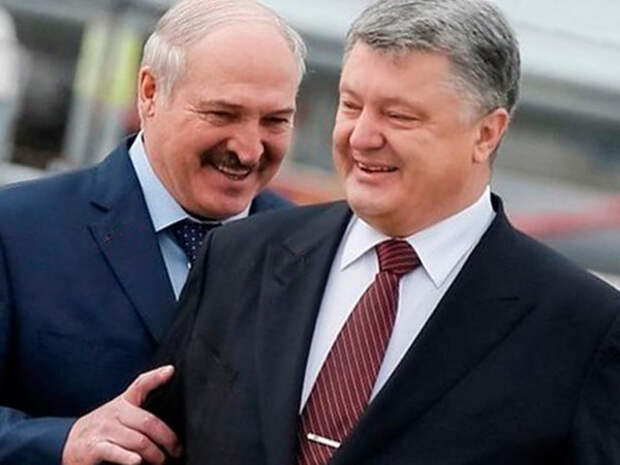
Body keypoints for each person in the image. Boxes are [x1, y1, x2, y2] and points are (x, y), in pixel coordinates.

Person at [146, 0, 620, 463]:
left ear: (486, 134)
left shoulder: (584, 329)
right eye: (351, 106)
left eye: (399, 116)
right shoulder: (238, 256)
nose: (362, 137)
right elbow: (158, 442)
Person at [0, 0, 306, 463]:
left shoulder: (312, 255)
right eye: (222, 114)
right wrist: (62, 442)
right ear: (149, 93)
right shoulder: (18, 229)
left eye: (275, 121)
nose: (248, 149)